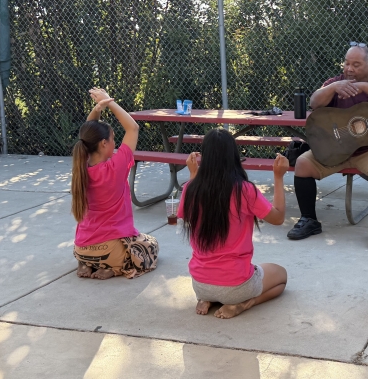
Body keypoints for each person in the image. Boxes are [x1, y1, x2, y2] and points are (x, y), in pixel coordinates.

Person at [288, 42, 368, 248]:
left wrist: (365, 87)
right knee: (303, 164)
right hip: (336, 150)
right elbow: (314, 102)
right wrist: (333, 88)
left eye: (356, 65)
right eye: (346, 63)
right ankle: (309, 220)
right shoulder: (336, 83)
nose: (349, 69)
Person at [178, 129, 289, 319]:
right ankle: (244, 304)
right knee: (281, 276)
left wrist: (193, 174)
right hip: (236, 285)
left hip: (200, 284)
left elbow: (186, 216)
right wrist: (278, 177)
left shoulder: (190, 188)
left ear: (204, 157)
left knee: (220, 281)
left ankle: (207, 299)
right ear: (234, 156)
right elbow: (278, 218)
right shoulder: (244, 190)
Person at [71, 88, 159, 280]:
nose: (115, 143)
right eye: (113, 139)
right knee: (151, 245)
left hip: (81, 248)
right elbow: (133, 128)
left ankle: (86, 263)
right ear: (103, 143)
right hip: (109, 249)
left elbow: (88, 133)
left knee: (90, 251)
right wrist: (109, 102)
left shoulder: (81, 167)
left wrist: (97, 109)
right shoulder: (115, 168)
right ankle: (114, 267)